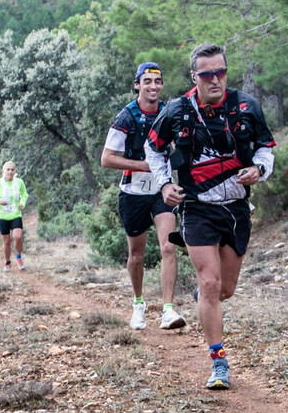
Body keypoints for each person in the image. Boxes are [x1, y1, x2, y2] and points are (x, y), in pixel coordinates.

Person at [145, 44, 275, 390]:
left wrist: (259, 169)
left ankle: (207, 305)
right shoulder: (176, 111)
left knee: (225, 289)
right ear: (194, 77)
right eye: (207, 74)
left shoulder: (246, 106)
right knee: (209, 283)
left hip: (235, 207)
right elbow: (152, 148)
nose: (215, 79)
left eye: (221, 72)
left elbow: (265, 147)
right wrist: (164, 185)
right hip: (196, 205)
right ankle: (218, 361)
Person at [100, 62, 187, 331]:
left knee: (168, 247)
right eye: (147, 81)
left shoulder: (169, 112)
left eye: (157, 82)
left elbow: (179, 149)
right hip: (133, 193)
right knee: (136, 256)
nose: (153, 86)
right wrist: (143, 165)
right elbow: (106, 159)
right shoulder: (126, 117)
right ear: (137, 84)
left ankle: (168, 311)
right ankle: (139, 304)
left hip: (162, 190)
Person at [0, 161, 29, 272]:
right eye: (8, 169)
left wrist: (22, 203)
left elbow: (24, 194)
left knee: (18, 236)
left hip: (15, 214)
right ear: (3, 171)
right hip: (2, 216)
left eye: (12, 170)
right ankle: (7, 262)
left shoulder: (19, 182)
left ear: (15, 171)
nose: (10, 172)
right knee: (6, 241)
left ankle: (18, 257)